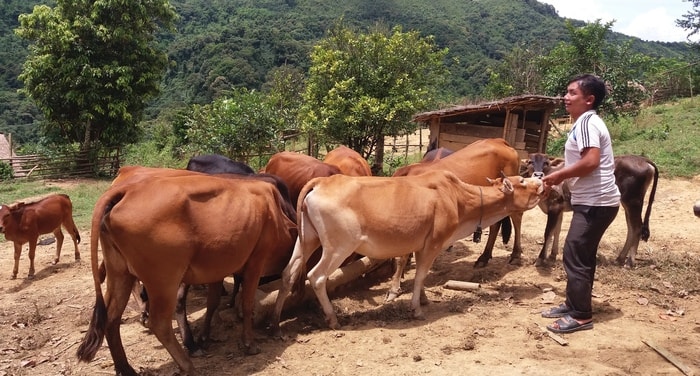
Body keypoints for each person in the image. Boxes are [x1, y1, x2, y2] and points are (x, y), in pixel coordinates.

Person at [540, 74, 620, 334]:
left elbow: (590, 162)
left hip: (596, 203)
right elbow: (582, 161)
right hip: (595, 201)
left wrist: (558, 176)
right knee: (581, 255)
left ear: (589, 100)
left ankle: (581, 316)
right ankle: (574, 304)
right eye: (566, 92)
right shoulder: (584, 123)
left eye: (572, 93)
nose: (566, 97)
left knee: (574, 253)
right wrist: (559, 175)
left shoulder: (587, 123)